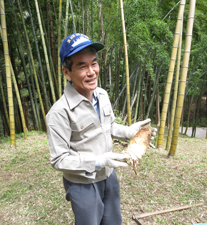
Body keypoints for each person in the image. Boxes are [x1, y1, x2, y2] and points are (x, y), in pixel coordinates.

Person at [46, 33, 152, 225]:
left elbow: (108, 126)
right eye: (82, 66)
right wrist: (98, 160)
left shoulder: (101, 94)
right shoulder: (59, 112)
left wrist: (128, 132)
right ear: (66, 72)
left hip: (108, 176)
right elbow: (59, 160)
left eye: (93, 63)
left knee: (113, 222)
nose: (91, 71)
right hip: (82, 184)